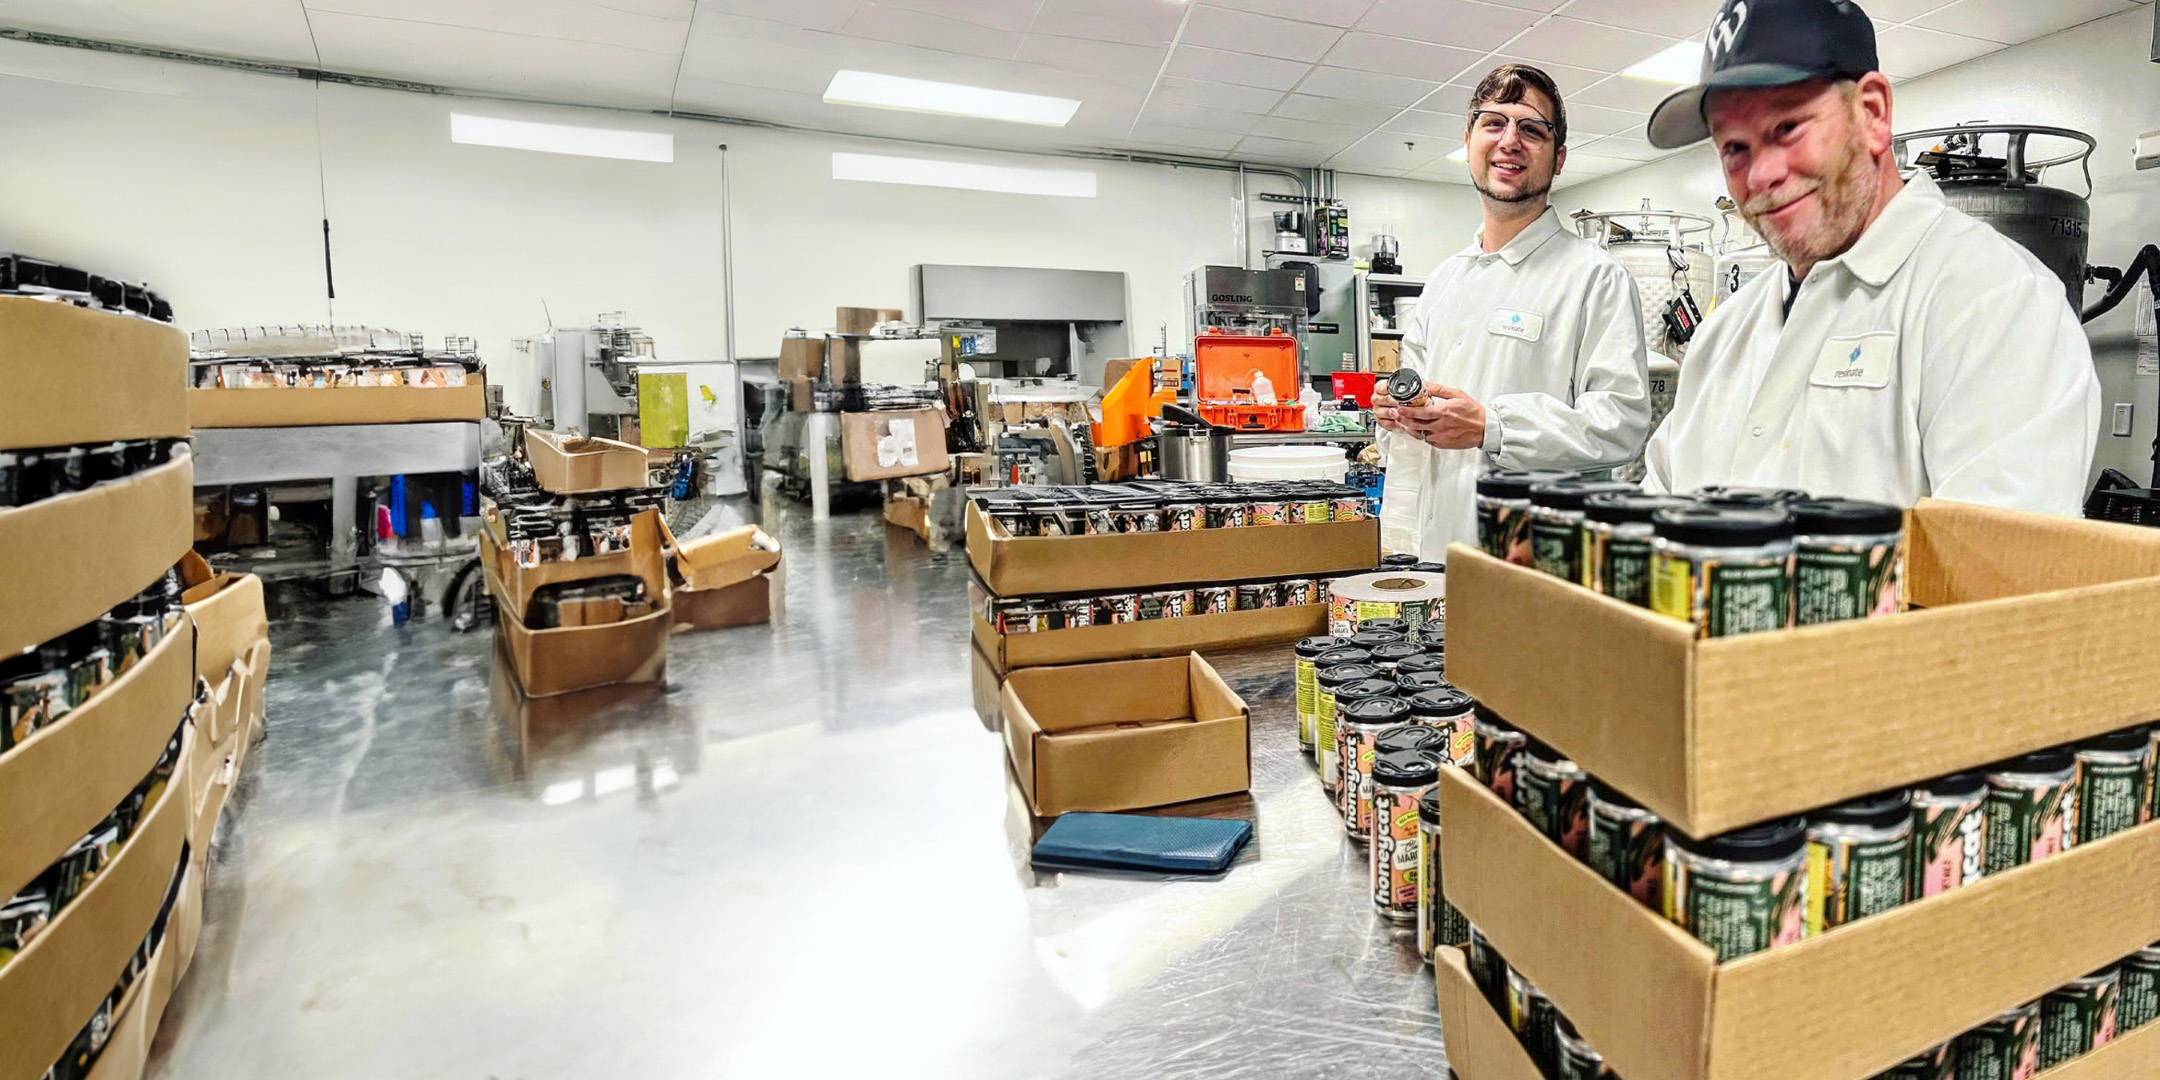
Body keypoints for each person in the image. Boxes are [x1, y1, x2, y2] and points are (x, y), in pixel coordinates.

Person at [1639, 0, 2100, 514]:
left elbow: (1996, 571)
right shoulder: (1722, 339)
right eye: (1734, 149)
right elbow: (1655, 522)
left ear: (1873, 113)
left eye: (1787, 128)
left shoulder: (1996, 303)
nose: (1761, 174)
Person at [1374, 64, 1652, 559]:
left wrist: (1492, 427)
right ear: (1469, 141)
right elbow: (1414, 404)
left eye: (1531, 129)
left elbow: (1621, 424)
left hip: (1535, 560)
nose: (1510, 141)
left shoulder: (1594, 278)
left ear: (1559, 157)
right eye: (1493, 123)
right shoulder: (1443, 281)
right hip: (1435, 553)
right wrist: (1397, 414)